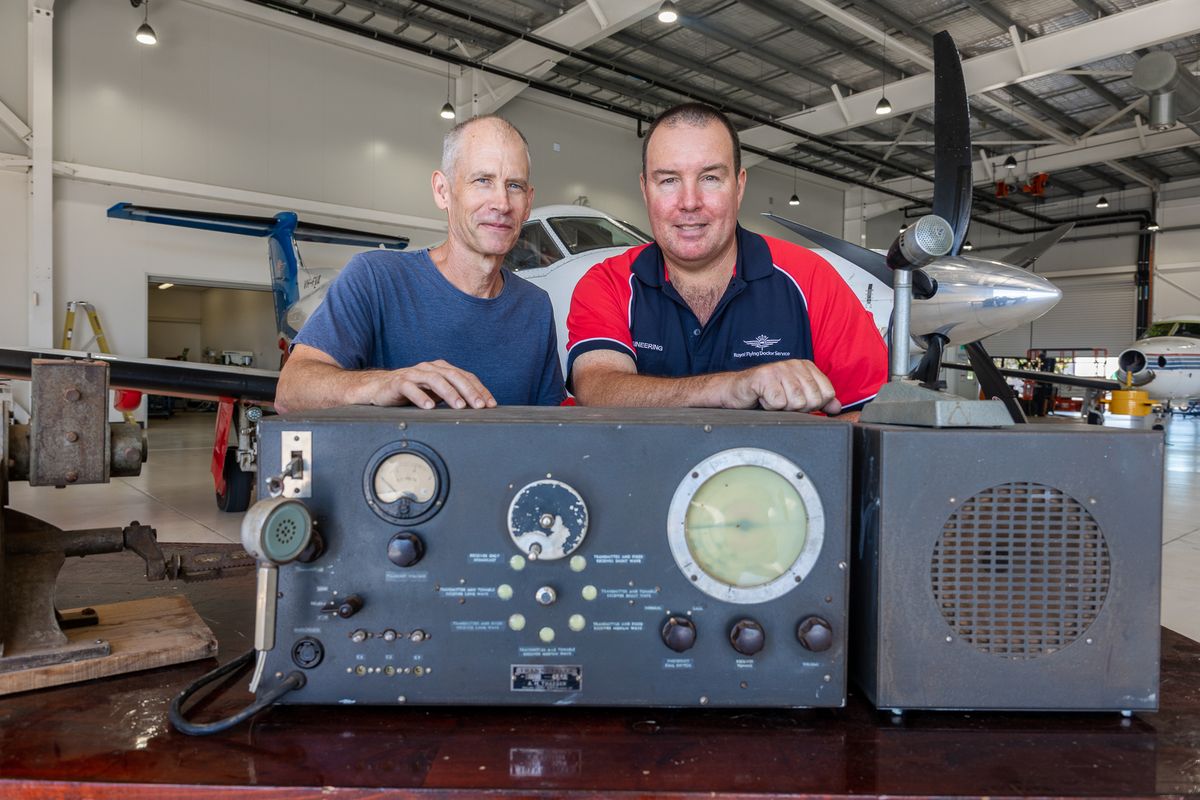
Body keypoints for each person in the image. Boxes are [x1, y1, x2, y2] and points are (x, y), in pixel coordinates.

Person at [565, 103, 887, 417]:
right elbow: (597, 389)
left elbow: (875, 414)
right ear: (645, 190)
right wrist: (731, 388)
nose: (689, 203)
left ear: (739, 186)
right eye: (668, 180)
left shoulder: (812, 280)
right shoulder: (608, 283)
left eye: (710, 178)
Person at [274, 116, 565, 413]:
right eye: (482, 181)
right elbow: (291, 390)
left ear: (528, 202)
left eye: (514, 186)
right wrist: (379, 384)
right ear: (442, 190)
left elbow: (551, 428)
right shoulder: (375, 278)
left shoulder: (535, 307)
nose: (502, 204)